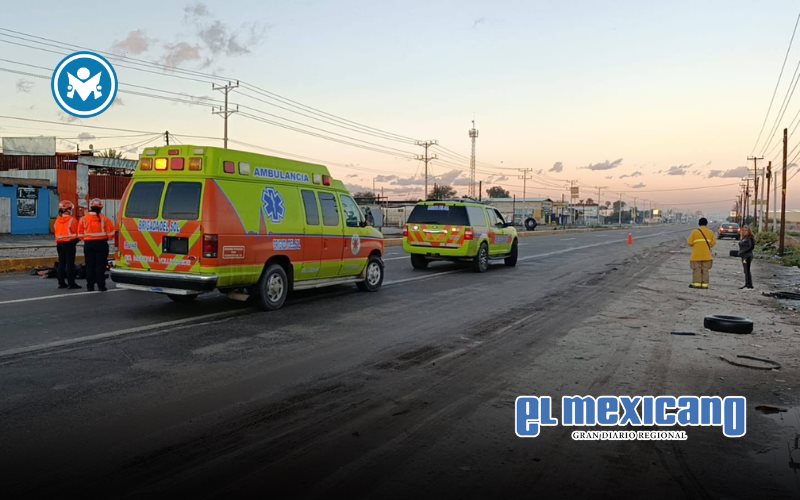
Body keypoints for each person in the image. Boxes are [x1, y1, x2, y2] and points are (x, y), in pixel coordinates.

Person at [78, 198, 115, 292]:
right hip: (101, 244)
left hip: (88, 245)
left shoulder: (83, 219)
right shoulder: (104, 219)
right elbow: (111, 234)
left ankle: (90, 286)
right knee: (100, 266)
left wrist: (87, 239)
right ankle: (101, 286)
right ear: (100, 208)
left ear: (91, 207)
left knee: (89, 265)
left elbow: (80, 234)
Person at [53, 200, 81, 290]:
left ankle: (61, 283)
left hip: (59, 244)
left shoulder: (57, 220)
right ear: (68, 210)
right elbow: (78, 233)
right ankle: (71, 283)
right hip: (69, 244)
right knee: (70, 264)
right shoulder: (72, 220)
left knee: (61, 263)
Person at [687, 217, 716, 289]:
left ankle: (697, 284)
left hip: (696, 255)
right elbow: (713, 243)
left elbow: (689, 243)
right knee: (705, 270)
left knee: (696, 270)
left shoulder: (694, 232)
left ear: (699, 224)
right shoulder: (710, 232)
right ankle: (705, 285)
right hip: (707, 255)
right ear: (706, 224)